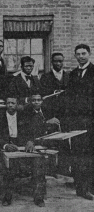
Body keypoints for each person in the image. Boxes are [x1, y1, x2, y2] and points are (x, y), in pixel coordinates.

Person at [0, 96, 52, 207]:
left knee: (38, 164)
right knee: (9, 168)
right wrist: (5, 145)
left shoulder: (25, 116)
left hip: (23, 145)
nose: (10, 105)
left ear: (18, 105)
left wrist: (31, 141)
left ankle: (38, 198)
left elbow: (33, 132)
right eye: (8, 103)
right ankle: (7, 196)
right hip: (7, 147)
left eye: (13, 103)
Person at [63, 44, 94, 200]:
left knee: (89, 154)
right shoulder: (73, 74)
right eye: (78, 54)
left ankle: (89, 188)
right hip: (76, 122)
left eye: (84, 53)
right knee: (77, 153)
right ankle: (80, 186)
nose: (81, 56)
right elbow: (69, 98)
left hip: (90, 121)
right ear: (75, 56)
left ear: (89, 54)